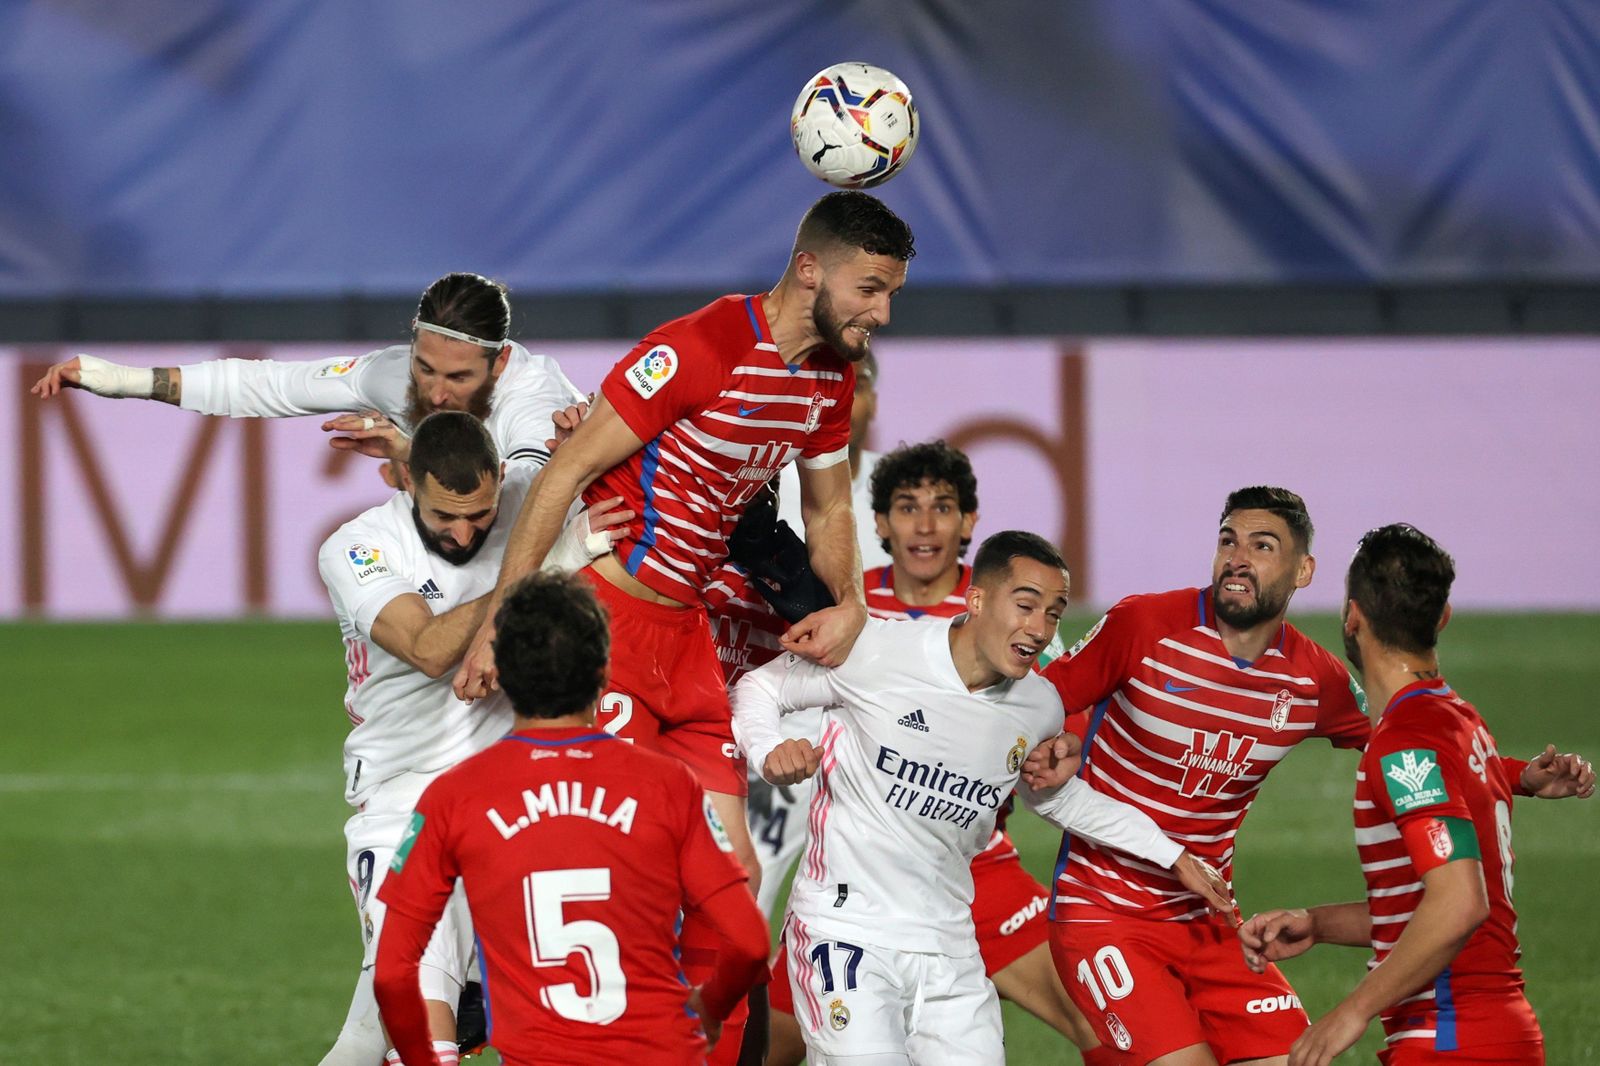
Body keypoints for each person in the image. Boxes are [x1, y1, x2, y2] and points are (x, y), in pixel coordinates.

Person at [733, 530, 1234, 1065]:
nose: (1039, 629)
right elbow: (760, 688)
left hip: (949, 948)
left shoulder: (1038, 707)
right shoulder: (878, 651)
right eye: (1026, 605)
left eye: (1054, 613)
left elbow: (1056, 798)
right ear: (976, 600)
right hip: (846, 931)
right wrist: (768, 751)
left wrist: (1172, 854)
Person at [750, 442, 1102, 1064]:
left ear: (968, 523)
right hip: (864, 867)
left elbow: (1058, 722)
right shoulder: (852, 611)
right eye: (908, 508)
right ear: (879, 524)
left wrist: (1063, 748)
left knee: (1093, 1017)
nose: (925, 525)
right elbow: (775, 681)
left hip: (975, 865)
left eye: (942, 508)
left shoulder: (1013, 618)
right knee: (768, 1044)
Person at [1021, 485, 1370, 1066]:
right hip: (1104, 912)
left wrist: (1514, 776)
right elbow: (1041, 703)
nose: (1238, 558)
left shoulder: (1314, 680)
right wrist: (1066, 737)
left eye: (1262, 546)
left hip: (1208, 921)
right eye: (1229, 541)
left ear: (1303, 571)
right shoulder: (1144, 623)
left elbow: (1409, 744)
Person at [316, 411, 624, 1066]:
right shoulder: (360, 546)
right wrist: (553, 563)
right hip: (405, 808)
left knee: (374, 1036)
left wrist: (586, 422)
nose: (463, 533)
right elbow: (428, 649)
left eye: (480, 514)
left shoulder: (531, 499)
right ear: (407, 482)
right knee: (414, 1036)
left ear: (501, 479)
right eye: (443, 517)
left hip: (514, 812)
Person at [373, 571, 771, 1066]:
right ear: (604, 670)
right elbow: (749, 942)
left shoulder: (454, 796)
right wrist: (709, 1009)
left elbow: (392, 974)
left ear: (504, 674)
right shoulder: (670, 786)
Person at [1238, 524, 1594, 1066]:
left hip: (1452, 1040)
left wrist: (1352, 1011)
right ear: (1442, 617)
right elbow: (1432, 907)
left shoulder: (1406, 744)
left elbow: (1459, 903)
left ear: (1353, 617)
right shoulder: (1460, 721)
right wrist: (1320, 923)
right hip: (1496, 1034)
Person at [30, 271, 583, 470]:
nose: (436, 394)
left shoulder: (535, 401)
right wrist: (124, 381)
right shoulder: (393, 375)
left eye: (458, 378)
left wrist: (409, 452)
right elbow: (265, 385)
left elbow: (526, 500)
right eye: (425, 369)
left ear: (499, 361)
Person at [777, 348, 890, 571]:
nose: (842, 400)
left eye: (856, 387)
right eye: (828, 386)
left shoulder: (900, 485)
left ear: (874, 402)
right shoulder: (768, 482)